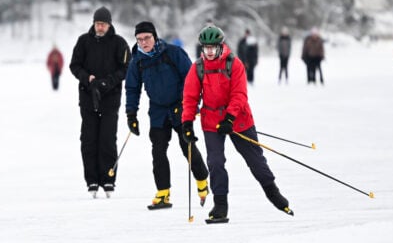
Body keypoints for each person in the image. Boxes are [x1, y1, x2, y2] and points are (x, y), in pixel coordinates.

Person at [181, 25, 292, 222]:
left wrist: (230, 118)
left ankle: (273, 192)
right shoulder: (197, 67)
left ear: (220, 46)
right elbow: (190, 98)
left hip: (239, 119)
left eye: (212, 48)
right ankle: (220, 205)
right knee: (215, 162)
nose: (209, 52)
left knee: (255, 159)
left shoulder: (234, 64)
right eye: (206, 48)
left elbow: (239, 94)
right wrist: (187, 123)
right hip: (211, 121)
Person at [124, 21, 209, 210]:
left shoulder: (173, 53)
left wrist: (189, 105)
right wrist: (131, 114)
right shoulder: (137, 61)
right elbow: (132, 88)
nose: (143, 42)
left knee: (186, 145)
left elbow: (191, 79)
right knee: (158, 150)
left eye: (147, 38)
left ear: (154, 37)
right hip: (158, 111)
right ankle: (163, 192)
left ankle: (202, 180)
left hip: (180, 106)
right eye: (139, 39)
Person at [69, 6, 131, 198]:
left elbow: (127, 67)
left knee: (107, 139)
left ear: (109, 24)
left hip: (110, 98)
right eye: (97, 23)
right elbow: (74, 65)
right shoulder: (83, 41)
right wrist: (87, 78)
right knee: (89, 140)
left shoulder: (119, 43)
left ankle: (108, 179)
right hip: (88, 97)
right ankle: (92, 180)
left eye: (103, 24)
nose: (100, 27)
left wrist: (110, 81)